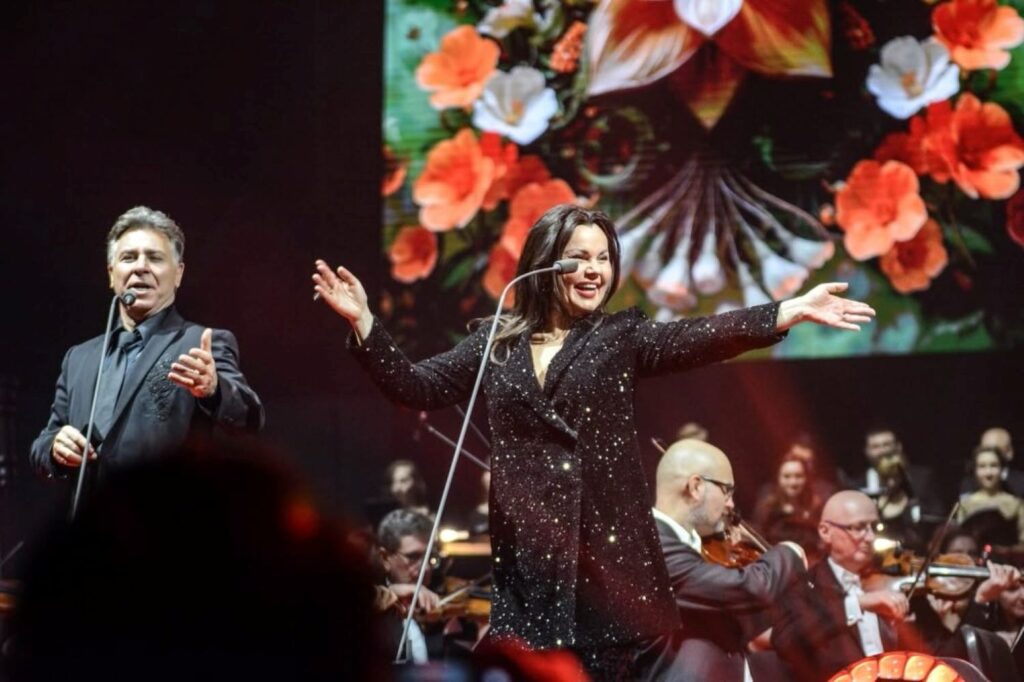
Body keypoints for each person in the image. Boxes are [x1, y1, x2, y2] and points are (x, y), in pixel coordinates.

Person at [312, 204, 875, 678]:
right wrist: (365, 323)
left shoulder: (618, 337)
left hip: (614, 579)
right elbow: (417, 387)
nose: (594, 271)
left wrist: (786, 311)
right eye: (579, 257)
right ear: (543, 263)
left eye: (604, 259)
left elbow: (696, 336)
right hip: (531, 577)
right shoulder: (495, 342)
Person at [29, 206, 264, 480]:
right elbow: (43, 444)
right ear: (111, 273)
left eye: (155, 258)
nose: (141, 267)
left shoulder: (200, 344)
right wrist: (55, 448)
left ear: (178, 274)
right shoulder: (79, 358)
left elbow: (250, 418)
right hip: (91, 518)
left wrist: (214, 390)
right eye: (129, 257)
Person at [641, 439, 806, 681]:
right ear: (696, 486)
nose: (730, 504)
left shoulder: (693, 545)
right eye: (726, 490)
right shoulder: (653, 547)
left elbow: (742, 621)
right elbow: (748, 588)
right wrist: (790, 552)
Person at [771, 491, 915, 681]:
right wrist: (858, 604)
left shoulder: (882, 581)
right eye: (859, 527)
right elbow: (785, 641)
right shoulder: (803, 585)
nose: (870, 537)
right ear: (825, 532)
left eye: (873, 527)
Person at [751, 452, 824, 562]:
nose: (793, 482)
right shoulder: (767, 508)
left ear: (807, 477)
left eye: (798, 476)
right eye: (787, 476)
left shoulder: (817, 508)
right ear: (778, 478)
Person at [957, 445, 1024, 555]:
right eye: (982, 466)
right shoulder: (965, 504)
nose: (988, 473)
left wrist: (1005, 551)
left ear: (1002, 469)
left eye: (994, 466)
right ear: (975, 470)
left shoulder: (1016, 504)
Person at [960, 427, 1024, 497]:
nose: (989, 456)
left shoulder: (1021, 483)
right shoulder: (969, 484)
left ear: (1009, 452)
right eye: (984, 450)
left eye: (996, 451)